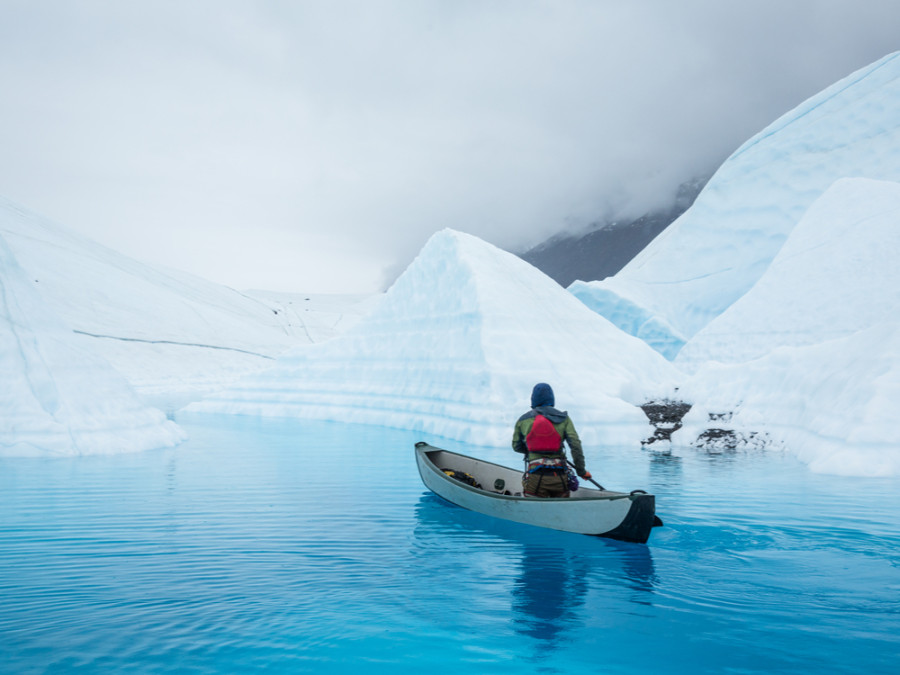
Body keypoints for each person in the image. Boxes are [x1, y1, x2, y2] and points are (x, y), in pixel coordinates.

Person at [512, 383, 593, 498]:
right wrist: (581, 472)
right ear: (552, 398)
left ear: (533, 399)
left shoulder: (523, 420)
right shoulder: (564, 418)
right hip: (560, 478)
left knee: (534, 510)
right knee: (560, 510)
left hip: (535, 478)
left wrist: (531, 450)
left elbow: (516, 446)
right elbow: (575, 445)